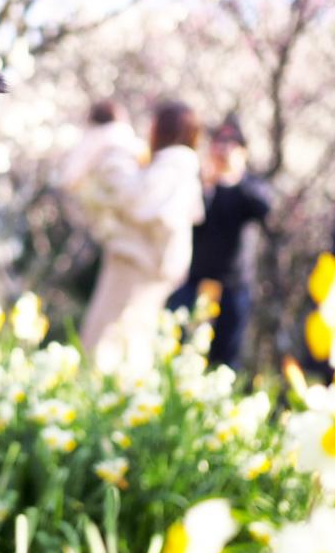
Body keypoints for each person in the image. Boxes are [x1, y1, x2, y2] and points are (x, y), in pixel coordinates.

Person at [80, 100, 204, 371]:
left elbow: (139, 202)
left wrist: (115, 165)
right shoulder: (179, 166)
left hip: (137, 262)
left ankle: (97, 400)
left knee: (107, 337)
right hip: (147, 264)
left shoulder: (174, 165)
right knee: (131, 337)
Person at [167, 115, 270, 369]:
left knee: (225, 358)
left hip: (233, 285)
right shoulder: (200, 181)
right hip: (194, 279)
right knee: (176, 348)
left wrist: (233, 177)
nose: (223, 149)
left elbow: (264, 210)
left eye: (231, 143)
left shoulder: (250, 186)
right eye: (218, 142)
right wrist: (208, 183)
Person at [59, 99, 147, 247]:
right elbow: (146, 160)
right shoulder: (125, 135)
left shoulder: (87, 142)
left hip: (103, 208)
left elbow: (69, 179)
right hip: (131, 200)